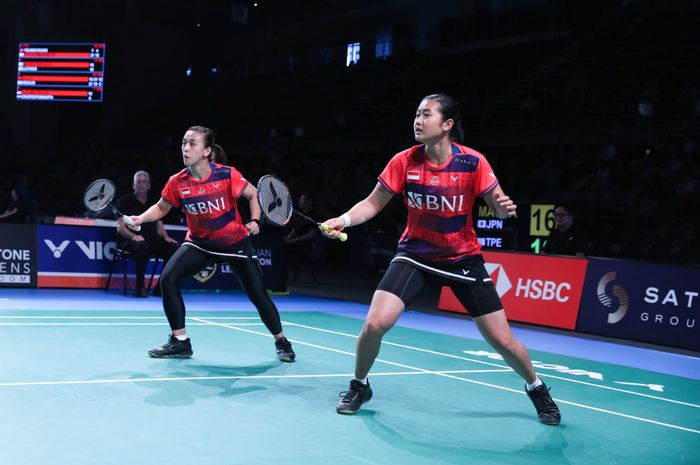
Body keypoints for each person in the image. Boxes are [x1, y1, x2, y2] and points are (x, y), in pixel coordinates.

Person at [320, 94, 561, 425]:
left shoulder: (472, 163)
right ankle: (359, 386)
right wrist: (343, 220)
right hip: (415, 255)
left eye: (426, 115)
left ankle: (537, 389)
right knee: (375, 323)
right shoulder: (404, 161)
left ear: (447, 125)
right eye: (417, 114)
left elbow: (496, 203)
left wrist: (503, 210)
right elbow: (373, 203)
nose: (418, 121)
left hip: (462, 257)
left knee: (502, 340)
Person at [128, 126, 295, 362]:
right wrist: (141, 218)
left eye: (192, 143)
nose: (185, 148)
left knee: (258, 295)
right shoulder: (177, 181)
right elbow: (162, 207)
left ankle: (282, 341)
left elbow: (253, 194)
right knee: (168, 280)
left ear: (207, 150)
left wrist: (255, 220)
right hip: (199, 244)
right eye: (184, 142)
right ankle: (180, 342)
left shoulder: (227, 175)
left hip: (235, 243)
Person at [115, 171, 180, 297]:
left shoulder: (154, 203)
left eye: (144, 182)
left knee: (173, 248)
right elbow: (120, 227)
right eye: (138, 182)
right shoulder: (124, 201)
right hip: (130, 242)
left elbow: (159, 224)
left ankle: (161, 286)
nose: (141, 184)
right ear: (134, 185)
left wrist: (165, 237)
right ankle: (140, 287)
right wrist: (134, 236)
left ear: (149, 185)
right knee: (142, 246)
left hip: (151, 240)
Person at [283, 193, 320, 282]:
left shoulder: (314, 215)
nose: (300, 201)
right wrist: (287, 239)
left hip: (306, 243)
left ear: (309, 202)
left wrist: (295, 240)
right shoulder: (299, 215)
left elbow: (312, 234)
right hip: (295, 241)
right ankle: (283, 276)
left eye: (303, 200)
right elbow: (294, 230)